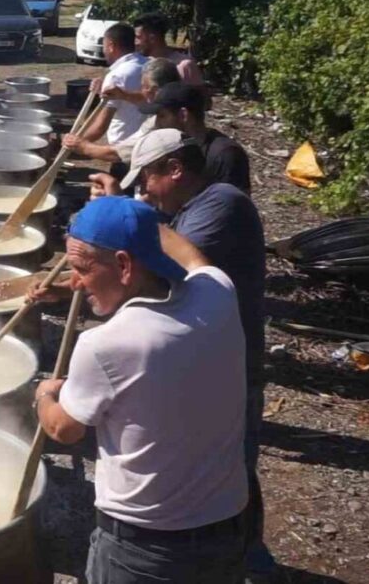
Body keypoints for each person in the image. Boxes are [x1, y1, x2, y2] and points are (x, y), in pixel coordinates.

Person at [89, 128, 272, 581]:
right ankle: (233, 554)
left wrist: (120, 212)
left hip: (228, 359)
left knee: (232, 462)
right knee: (214, 460)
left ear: (174, 169)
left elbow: (164, 265)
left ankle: (248, 560)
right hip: (200, 354)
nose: (146, 189)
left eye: (148, 179)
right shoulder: (192, 207)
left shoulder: (222, 203)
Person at [35, 196, 248, 583]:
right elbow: (193, 256)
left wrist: (45, 395)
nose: (75, 284)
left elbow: (63, 429)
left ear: (124, 264)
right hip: (227, 530)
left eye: (81, 269)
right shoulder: (218, 292)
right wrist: (132, 216)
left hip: (146, 549)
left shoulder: (106, 344)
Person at [140, 82, 251, 194]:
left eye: (162, 116)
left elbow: (232, 206)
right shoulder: (173, 151)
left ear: (183, 115)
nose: (157, 123)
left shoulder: (225, 155)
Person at [63, 58, 180, 165]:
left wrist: (83, 146)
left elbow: (120, 153)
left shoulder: (160, 121)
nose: (141, 90)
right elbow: (145, 98)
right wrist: (122, 94)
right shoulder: (182, 99)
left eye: (144, 86)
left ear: (155, 91)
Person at [68, 23, 147, 148]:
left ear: (111, 46)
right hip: (150, 145)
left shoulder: (116, 76)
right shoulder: (149, 64)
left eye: (104, 46)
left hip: (125, 149)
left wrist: (74, 142)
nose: (104, 51)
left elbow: (100, 127)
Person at [133, 12, 204, 87]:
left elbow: (200, 97)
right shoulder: (136, 64)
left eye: (138, 37)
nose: (135, 42)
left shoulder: (183, 65)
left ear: (152, 38)